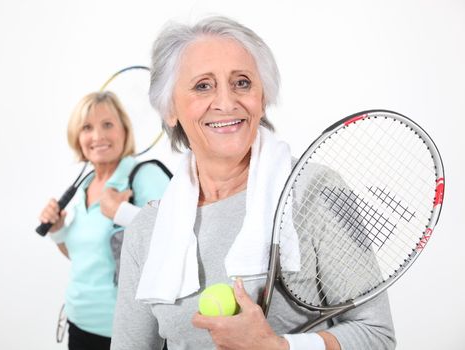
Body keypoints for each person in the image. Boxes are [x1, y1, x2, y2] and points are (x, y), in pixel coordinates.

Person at [111, 16, 396, 350]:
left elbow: (377, 336)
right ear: (170, 108)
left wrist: (279, 347)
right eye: (203, 85)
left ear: (262, 98)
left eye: (242, 83)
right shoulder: (146, 230)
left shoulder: (316, 190)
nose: (226, 102)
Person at [38, 91, 170, 350]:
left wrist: (122, 212)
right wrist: (58, 232)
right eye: (87, 127)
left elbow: (174, 243)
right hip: (79, 324)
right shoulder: (84, 185)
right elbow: (88, 258)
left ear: (124, 130)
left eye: (107, 125)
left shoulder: (145, 176)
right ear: (77, 136)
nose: (97, 136)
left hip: (131, 335)